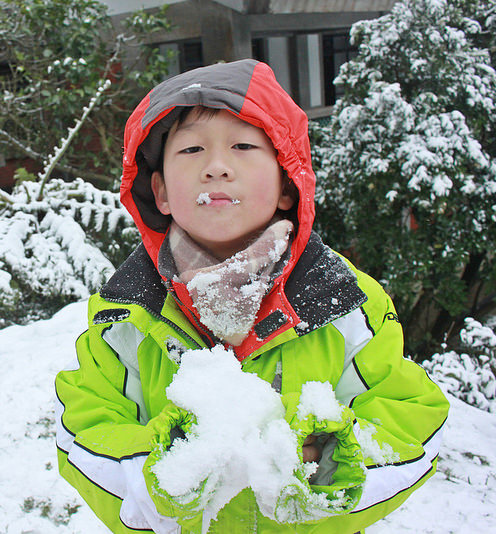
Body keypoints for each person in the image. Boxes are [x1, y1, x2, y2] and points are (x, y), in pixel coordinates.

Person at [54, 60, 449, 533]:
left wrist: (332, 458)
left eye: (243, 146)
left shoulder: (345, 304)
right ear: (159, 191)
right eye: (193, 148)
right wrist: (162, 470)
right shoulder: (128, 316)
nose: (217, 167)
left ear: (287, 183)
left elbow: (411, 419)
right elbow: (84, 432)